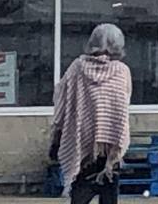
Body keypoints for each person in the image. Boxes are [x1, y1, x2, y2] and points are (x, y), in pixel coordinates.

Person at [51, 23, 134, 204]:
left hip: (82, 145)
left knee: (79, 195)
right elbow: (124, 105)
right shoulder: (122, 71)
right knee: (109, 196)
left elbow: (62, 100)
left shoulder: (77, 68)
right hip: (111, 145)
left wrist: (57, 134)